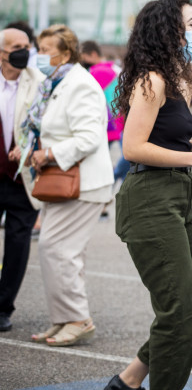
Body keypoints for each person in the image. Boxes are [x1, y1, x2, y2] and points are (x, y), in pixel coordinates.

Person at [106, 0, 192, 390]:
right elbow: (132, 148)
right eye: (191, 24)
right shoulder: (151, 79)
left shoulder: (177, 77)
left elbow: (163, 138)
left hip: (176, 195)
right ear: (169, 31)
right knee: (179, 312)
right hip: (149, 199)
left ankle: (129, 379)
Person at [14, 24, 114, 346]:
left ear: (66, 53)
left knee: (61, 251)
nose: (38, 56)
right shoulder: (55, 83)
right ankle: (64, 317)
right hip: (63, 180)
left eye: (45, 50)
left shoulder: (80, 84)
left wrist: (49, 154)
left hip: (83, 183)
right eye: (38, 49)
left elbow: (88, 137)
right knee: (54, 250)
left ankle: (78, 319)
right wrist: (31, 150)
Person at [0, 28, 44, 332]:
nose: (23, 51)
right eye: (16, 46)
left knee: (17, 243)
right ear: (1, 51)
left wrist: (29, 146)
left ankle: (3, 307)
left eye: (27, 46)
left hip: (22, 178)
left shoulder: (39, 82)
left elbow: (46, 123)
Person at [80, 40, 129, 183]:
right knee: (128, 160)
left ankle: (111, 179)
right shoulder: (115, 69)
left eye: (83, 56)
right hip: (120, 121)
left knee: (99, 165)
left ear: (93, 54)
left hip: (106, 124)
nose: (81, 61)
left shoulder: (95, 72)